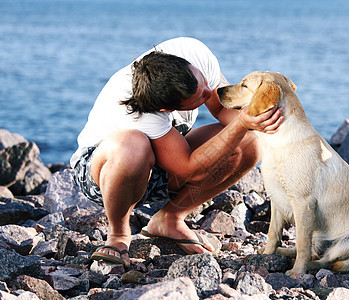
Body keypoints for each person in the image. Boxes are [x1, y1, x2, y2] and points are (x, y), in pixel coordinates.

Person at [70, 37, 283, 267]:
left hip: (163, 161)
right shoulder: (135, 109)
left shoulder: (194, 54)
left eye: (203, 83)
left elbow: (222, 109)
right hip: (105, 174)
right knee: (132, 146)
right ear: (167, 109)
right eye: (199, 98)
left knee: (250, 142)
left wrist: (257, 121)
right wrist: (241, 122)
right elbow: (191, 170)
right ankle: (118, 235)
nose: (208, 92)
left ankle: (169, 219)